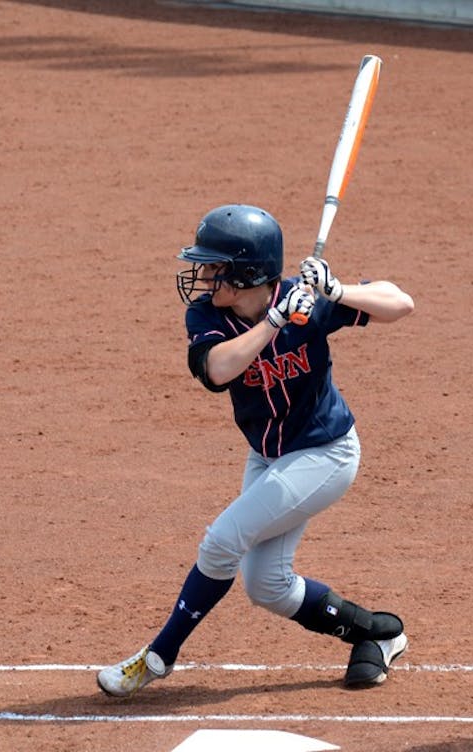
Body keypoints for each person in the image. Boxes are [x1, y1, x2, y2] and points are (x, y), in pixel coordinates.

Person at [97, 204, 415, 698]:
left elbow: (401, 304)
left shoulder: (308, 300)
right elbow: (217, 370)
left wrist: (337, 291)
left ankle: (158, 657)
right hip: (269, 456)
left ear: (246, 273)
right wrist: (272, 320)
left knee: (222, 541)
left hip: (324, 454)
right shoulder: (208, 315)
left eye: (213, 268)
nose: (202, 277)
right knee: (266, 585)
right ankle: (378, 633)